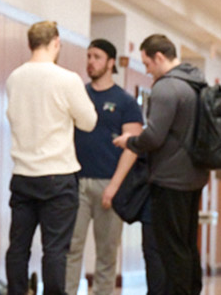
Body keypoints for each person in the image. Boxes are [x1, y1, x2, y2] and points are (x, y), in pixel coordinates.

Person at [5, 21, 99, 295]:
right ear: (56, 43)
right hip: (58, 176)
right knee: (55, 249)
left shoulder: (14, 78)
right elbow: (89, 122)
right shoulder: (67, 79)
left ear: (30, 43)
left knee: (18, 247)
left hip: (22, 174)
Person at [112, 34, 211, 295]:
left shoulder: (167, 87)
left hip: (170, 179)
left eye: (147, 64)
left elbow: (154, 136)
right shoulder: (197, 83)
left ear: (159, 57)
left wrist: (130, 141)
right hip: (195, 176)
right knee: (188, 244)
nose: (147, 71)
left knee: (170, 248)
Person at [66, 39, 143, 295]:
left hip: (110, 185)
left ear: (111, 62)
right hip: (76, 182)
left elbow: (132, 146)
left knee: (106, 253)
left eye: (97, 56)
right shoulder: (79, 94)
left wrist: (114, 185)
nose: (91, 61)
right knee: (70, 248)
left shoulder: (125, 101)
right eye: (88, 56)